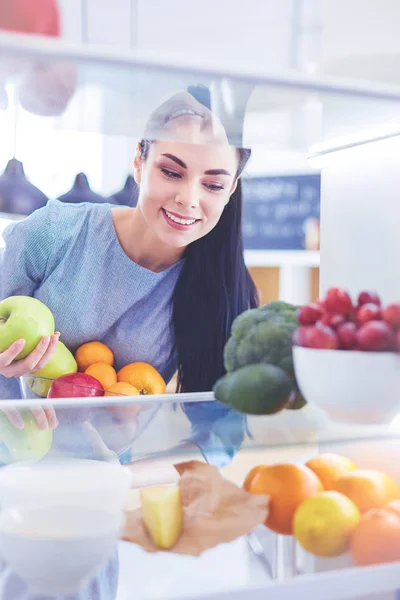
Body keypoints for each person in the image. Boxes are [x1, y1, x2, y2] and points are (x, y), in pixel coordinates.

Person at [0, 86, 258, 598]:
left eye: (213, 183)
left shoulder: (224, 292)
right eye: (172, 170)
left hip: (85, 506)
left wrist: (122, 476)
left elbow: (220, 440)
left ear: (232, 190)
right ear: (138, 161)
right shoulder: (54, 234)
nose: (189, 199)